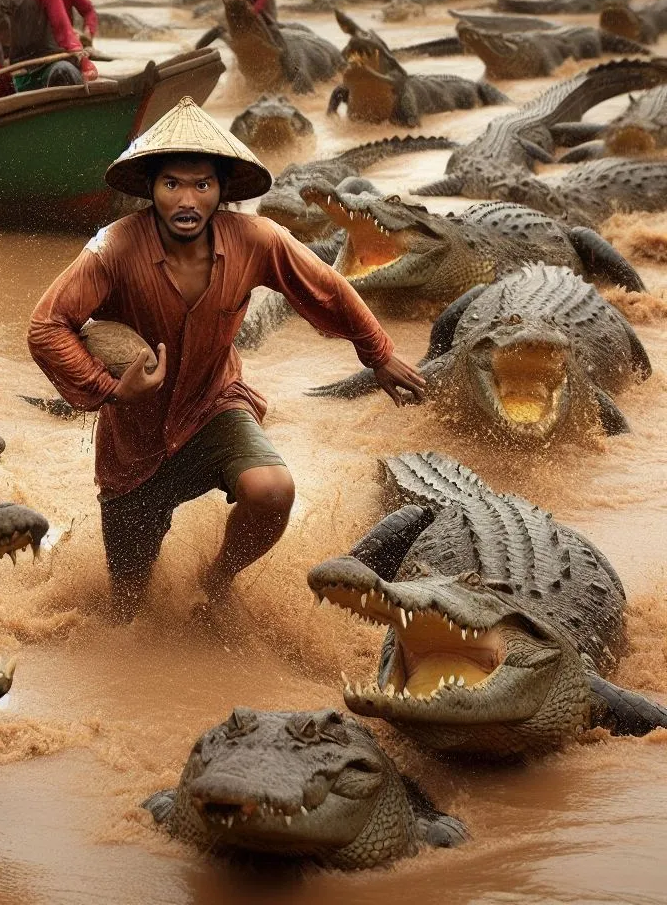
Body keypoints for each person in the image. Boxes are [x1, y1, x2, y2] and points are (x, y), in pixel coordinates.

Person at [28, 97, 425, 622]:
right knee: (127, 614)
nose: (188, 199)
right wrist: (111, 389)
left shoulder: (256, 240)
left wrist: (378, 353)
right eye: (172, 184)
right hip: (135, 439)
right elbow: (46, 326)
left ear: (221, 191)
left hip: (215, 405)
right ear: (151, 189)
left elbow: (327, 287)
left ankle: (215, 580)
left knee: (271, 489)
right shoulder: (113, 249)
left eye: (202, 185)